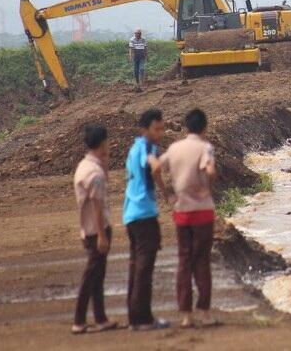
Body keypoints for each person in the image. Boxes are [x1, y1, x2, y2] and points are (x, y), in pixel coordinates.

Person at [149, 109, 217, 328]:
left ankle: (186, 315)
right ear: (204, 128)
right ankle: (205, 313)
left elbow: (156, 168)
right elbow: (209, 170)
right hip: (203, 211)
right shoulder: (205, 147)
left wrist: (167, 193)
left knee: (184, 261)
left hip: (181, 211)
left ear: (186, 128)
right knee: (202, 262)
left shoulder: (174, 148)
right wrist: (208, 189)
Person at [123, 109, 170, 331]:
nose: (160, 133)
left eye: (162, 128)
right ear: (145, 130)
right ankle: (143, 319)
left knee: (136, 265)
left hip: (131, 213)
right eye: (157, 129)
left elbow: (155, 174)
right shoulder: (147, 147)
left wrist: (164, 192)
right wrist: (166, 191)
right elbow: (155, 166)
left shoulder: (133, 148)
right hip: (144, 214)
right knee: (144, 267)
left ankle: (135, 317)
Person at [72, 124, 118, 334]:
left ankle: (100, 318)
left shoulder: (85, 166)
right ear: (102, 143)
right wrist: (101, 235)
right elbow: (98, 206)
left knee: (97, 274)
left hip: (87, 228)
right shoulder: (95, 173)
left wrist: (105, 160)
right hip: (96, 229)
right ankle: (79, 320)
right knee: (92, 275)